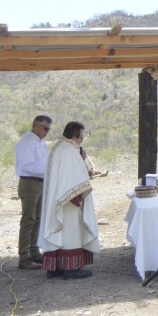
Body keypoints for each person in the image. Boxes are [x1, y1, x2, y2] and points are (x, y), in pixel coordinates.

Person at [38, 121, 100, 279]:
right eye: (81, 137)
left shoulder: (58, 147)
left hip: (55, 198)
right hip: (69, 200)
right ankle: (71, 269)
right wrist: (78, 197)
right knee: (71, 233)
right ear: (75, 136)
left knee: (57, 231)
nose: (81, 141)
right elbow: (76, 179)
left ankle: (54, 268)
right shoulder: (70, 151)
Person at [14, 115, 52, 270]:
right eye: (45, 128)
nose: (47, 132)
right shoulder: (28, 141)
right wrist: (49, 170)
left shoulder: (40, 142)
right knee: (28, 219)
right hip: (29, 181)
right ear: (36, 125)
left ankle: (34, 251)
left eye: (49, 129)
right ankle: (23, 256)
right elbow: (26, 166)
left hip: (39, 182)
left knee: (37, 218)